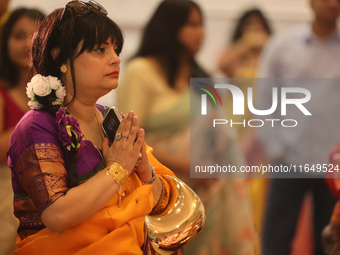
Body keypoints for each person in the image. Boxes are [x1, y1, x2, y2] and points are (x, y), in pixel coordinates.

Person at [6, 1, 188, 254]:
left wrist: (145, 172)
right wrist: (118, 169)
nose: (115, 59)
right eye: (100, 50)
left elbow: (162, 200)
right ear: (60, 58)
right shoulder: (37, 126)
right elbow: (57, 215)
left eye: (116, 49)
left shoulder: (111, 119)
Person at [117, 1, 255, 254]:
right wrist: (190, 167)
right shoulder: (141, 72)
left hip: (210, 191)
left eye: (202, 24)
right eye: (192, 24)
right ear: (170, 26)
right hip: (161, 192)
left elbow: (221, 131)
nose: (201, 32)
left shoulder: (201, 78)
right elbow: (129, 140)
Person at [257, 0, 340, 254]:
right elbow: (264, 98)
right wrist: (275, 148)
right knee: (275, 240)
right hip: (288, 158)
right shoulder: (282, 46)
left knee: (331, 243)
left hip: (334, 165)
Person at [0, 8, 44, 255]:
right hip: (8, 188)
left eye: (34, 37)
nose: (27, 44)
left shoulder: (66, 92)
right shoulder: (2, 93)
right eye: (18, 36)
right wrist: (39, 109)